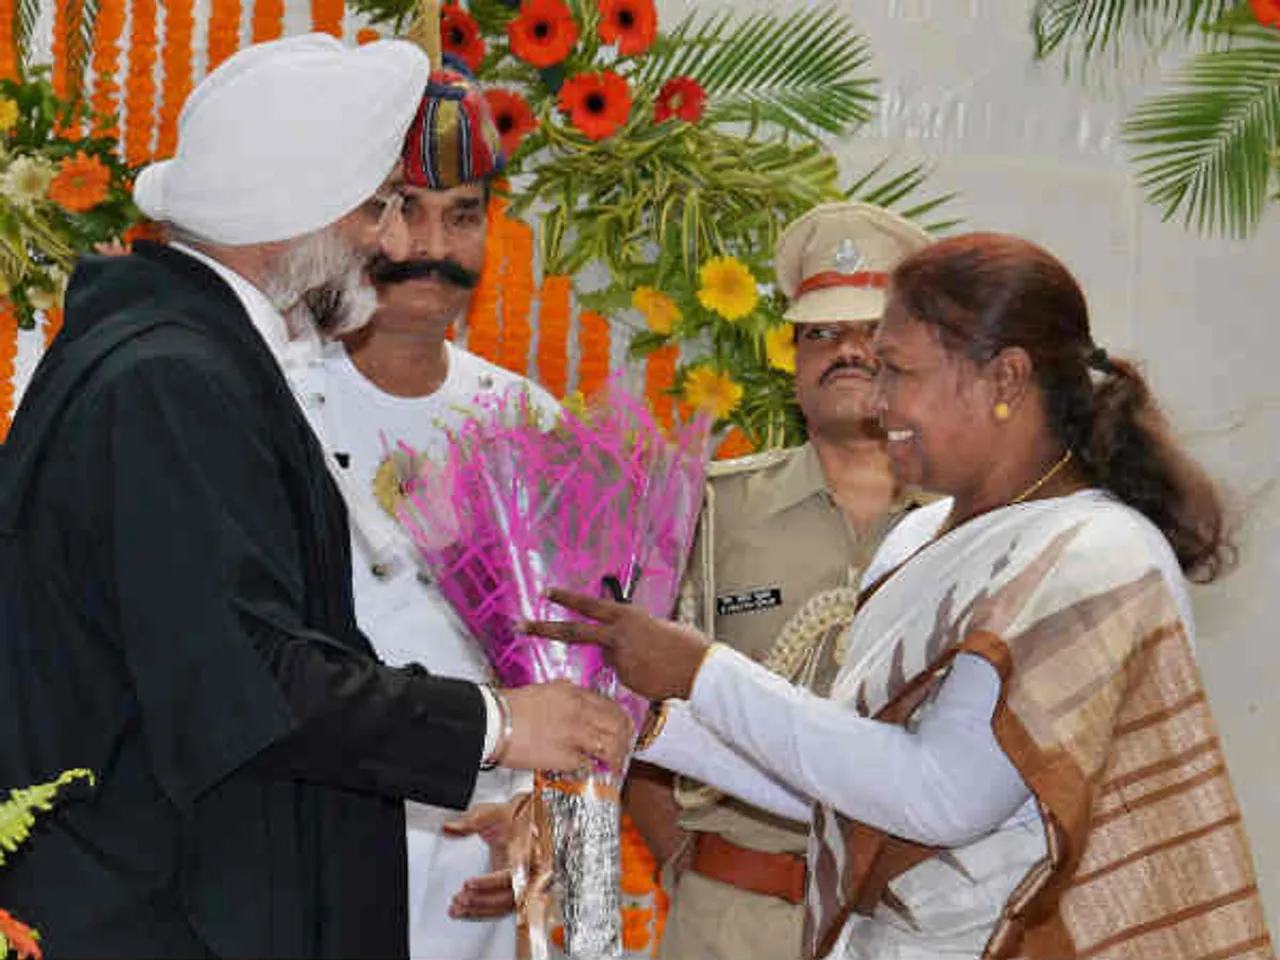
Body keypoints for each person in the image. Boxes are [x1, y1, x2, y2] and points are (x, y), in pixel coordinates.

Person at [0, 35, 631, 959]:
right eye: (377, 208)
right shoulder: (172, 380)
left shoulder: (179, 356)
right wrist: (499, 724)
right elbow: (246, 677)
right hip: (160, 911)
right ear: (290, 213)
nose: (389, 242)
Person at [526, 233, 1274, 959]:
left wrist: (705, 673)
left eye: (898, 371)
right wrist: (658, 729)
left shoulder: (1096, 556)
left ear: (1005, 379)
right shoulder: (919, 543)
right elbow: (852, 796)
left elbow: (939, 798)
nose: (877, 401)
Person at [293, 63, 556, 959]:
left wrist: (550, 813)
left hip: (477, 874)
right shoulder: (273, 397)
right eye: (404, 207)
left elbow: (585, 663)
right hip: (307, 845)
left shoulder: (527, 422)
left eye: (465, 215)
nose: (429, 244)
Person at [623, 202, 933, 960]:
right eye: (820, 333)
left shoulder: (976, 524)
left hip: (921, 929)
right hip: (735, 921)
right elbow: (631, 706)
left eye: (871, 331)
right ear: (792, 360)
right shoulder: (705, 510)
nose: (847, 351)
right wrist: (683, 865)